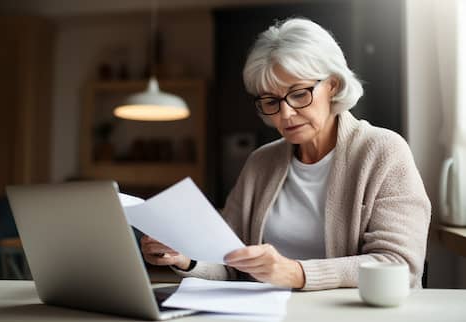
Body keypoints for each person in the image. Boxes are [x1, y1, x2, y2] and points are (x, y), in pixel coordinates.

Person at [140, 18, 431, 291]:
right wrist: (184, 258)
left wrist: (296, 273)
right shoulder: (261, 163)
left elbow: (399, 265)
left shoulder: (383, 151)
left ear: (332, 85)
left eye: (299, 93)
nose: (286, 114)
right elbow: (229, 262)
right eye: (271, 100)